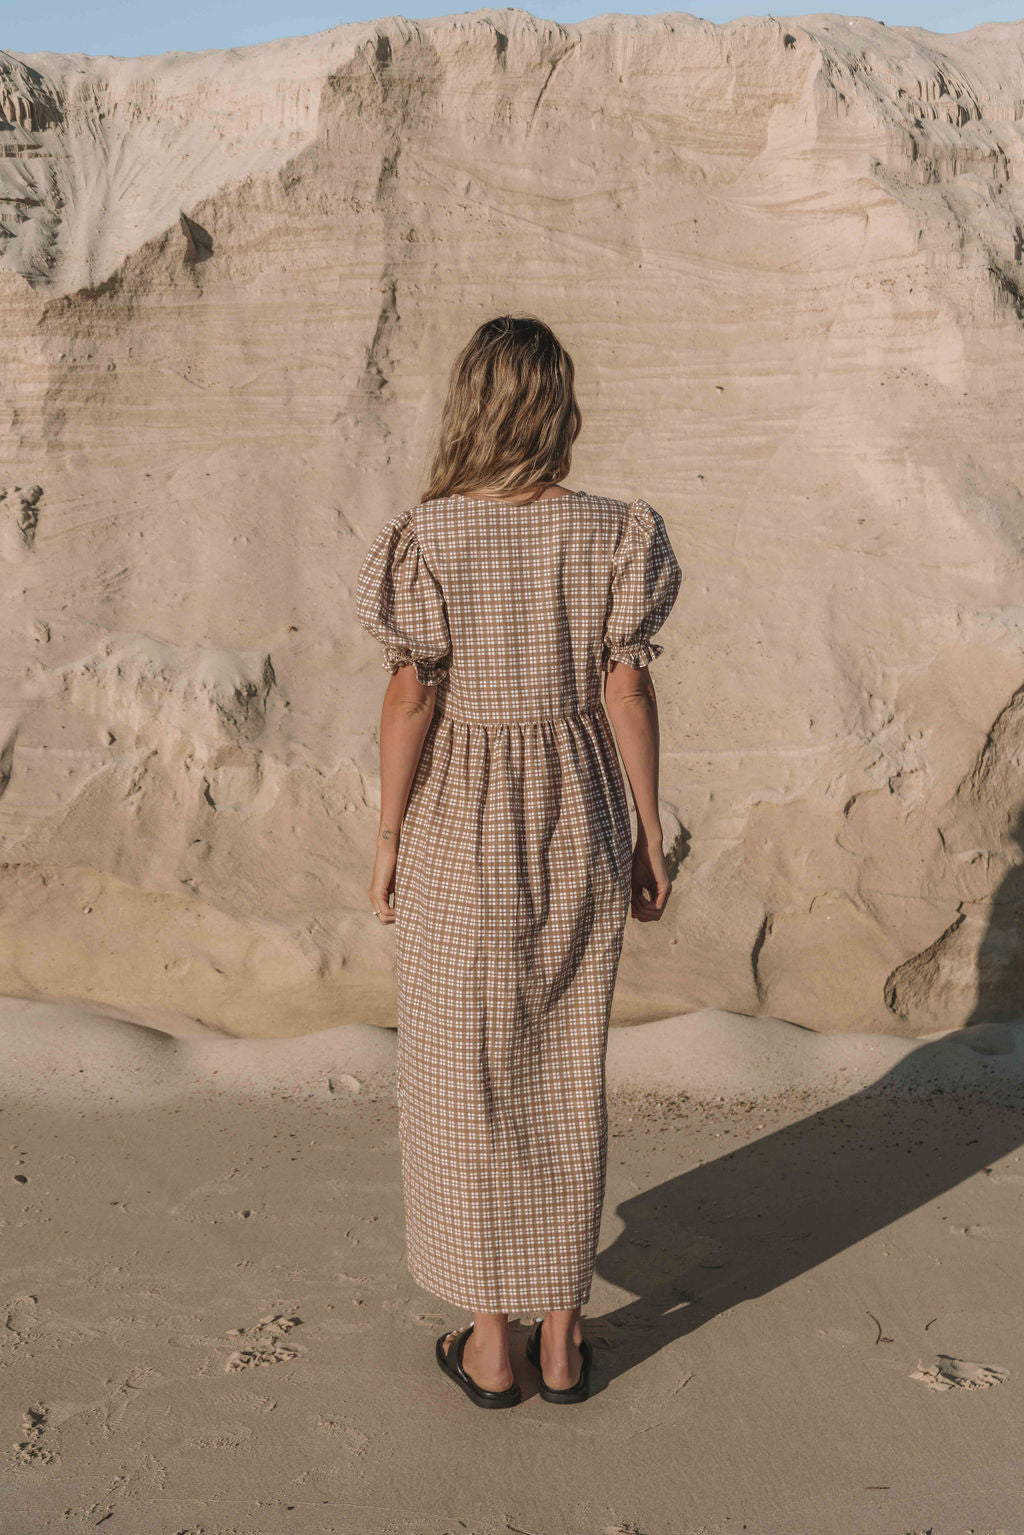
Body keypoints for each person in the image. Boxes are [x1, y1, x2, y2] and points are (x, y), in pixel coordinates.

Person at [354, 314, 682, 1408]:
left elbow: (413, 694)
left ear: (471, 405)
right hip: (577, 813)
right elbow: (624, 688)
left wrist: (392, 830)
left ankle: (489, 1342)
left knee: (464, 1077)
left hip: (461, 821)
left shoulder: (430, 535)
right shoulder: (617, 530)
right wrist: (646, 824)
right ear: (557, 406)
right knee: (560, 1066)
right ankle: (562, 1336)